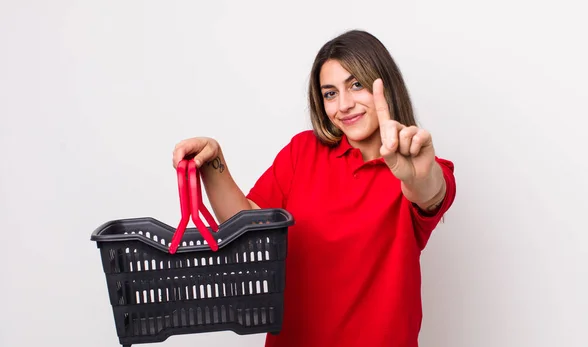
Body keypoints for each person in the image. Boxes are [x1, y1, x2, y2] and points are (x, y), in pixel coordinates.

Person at [172, 29, 456, 347]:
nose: (344, 105)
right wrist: (213, 163)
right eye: (330, 93)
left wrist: (418, 176)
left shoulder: (421, 168)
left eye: (356, 85)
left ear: (385, 86)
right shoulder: (302, 151)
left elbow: (429, 191)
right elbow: (247, 227)